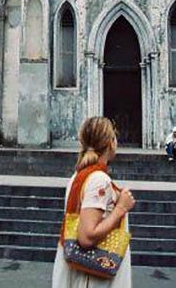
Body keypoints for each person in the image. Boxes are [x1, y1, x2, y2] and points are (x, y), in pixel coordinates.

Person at [52, 116, 135, 288]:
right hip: (92, 276)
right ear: (111, 143)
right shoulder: (98, 179)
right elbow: (86, 237)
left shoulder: (81, 175)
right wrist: (120, 208)